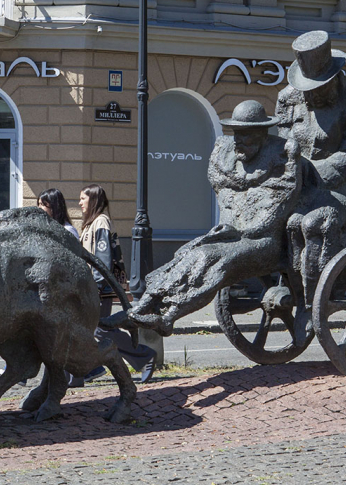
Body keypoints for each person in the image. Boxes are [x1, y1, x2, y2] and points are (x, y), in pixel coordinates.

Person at [110, 100, 301, 335]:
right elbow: (228, 200)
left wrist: (239, 231)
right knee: (186, 253)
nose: (237, 140)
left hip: (264, 240)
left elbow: (275, 211)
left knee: (210, 259)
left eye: (245, 134)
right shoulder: (230, 160)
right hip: (234, 236)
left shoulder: (282, 160)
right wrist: (229, 230)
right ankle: (140, 309)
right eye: (235, 133)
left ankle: (169, 317)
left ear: (262, 134)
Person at [275, 30, 346, 311]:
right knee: (283, 223)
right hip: (296, 187)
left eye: (318, 86)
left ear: (332, 78)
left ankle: (316, 296)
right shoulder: (287, 98)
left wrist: (311, 172)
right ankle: (291, 288)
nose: (311, 93)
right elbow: (282, 148)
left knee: (312, 224)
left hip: (336, 189)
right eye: (307, 87)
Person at [74, 184, 156, 386]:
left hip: (99, 287)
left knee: (101, 328)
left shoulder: (101, 222)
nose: (80, 202)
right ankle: (89, 369)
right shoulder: (91, 223)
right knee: (91, 329)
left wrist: (96, 286)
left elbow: (103, 258)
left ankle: (144, 355)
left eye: (83, 198)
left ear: (93, 200)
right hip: (94, 286)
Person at [0, 188, 78, 385]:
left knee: (48, 339)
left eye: (44, 204)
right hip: (42, 292)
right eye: (39, 204)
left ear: (55, 207)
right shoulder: (42, 230)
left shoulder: (67, 231)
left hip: (59, 293)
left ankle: (28, 374)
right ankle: (24, 373)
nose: (40, 208)